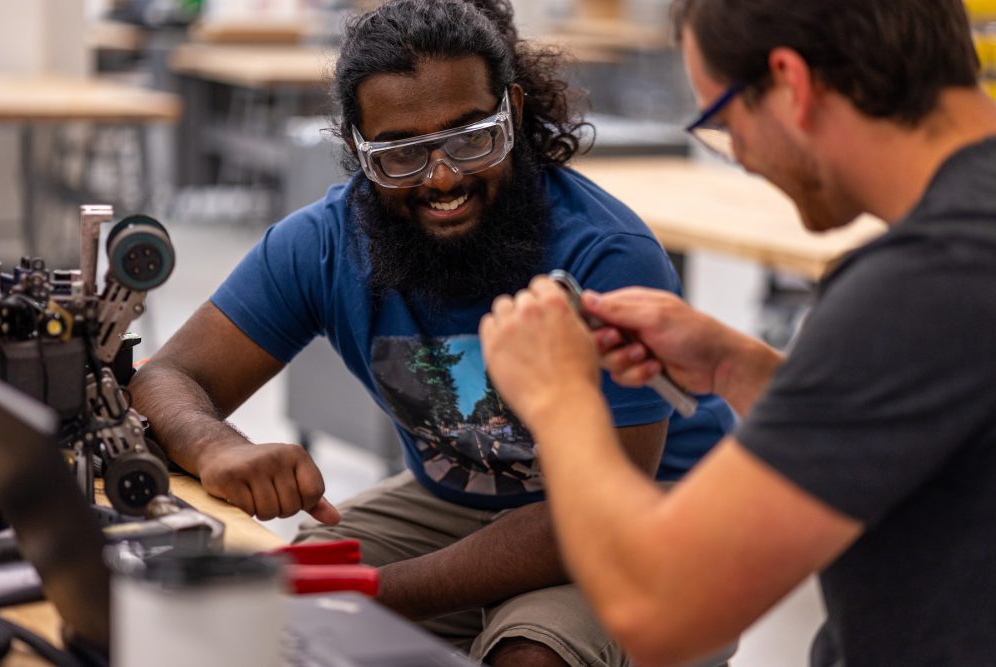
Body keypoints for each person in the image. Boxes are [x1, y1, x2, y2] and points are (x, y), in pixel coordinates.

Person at [129, 1, 735, 665]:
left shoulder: (604, 254)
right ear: (358, 151)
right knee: (283, 614)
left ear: (515, 114)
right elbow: (167, 376)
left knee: (533, 652)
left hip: (643, 517)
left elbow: (589, 522)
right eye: (400, 154)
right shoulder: (325, 243)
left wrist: (377, 590)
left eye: (471, 137)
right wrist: (215, 446)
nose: (442, 177)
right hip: (463, 499)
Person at [479, 0, 996, 665]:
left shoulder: (920, 285)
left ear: (790, 83)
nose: (742, 158)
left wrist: (559, 396)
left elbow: (659, 608)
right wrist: (740, 370)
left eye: (724, 122)